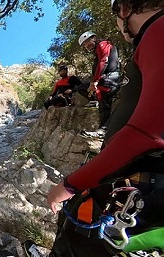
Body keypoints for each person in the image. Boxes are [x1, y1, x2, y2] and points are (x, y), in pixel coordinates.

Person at [43, 0, 164, 256]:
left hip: (140, 177)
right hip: (141, 176)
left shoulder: (158, 30)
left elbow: (146, 132)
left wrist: (69, 184)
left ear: (125, 8)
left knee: (79, 230)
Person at [77, 31, 121, 138]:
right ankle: (95, 102)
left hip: (110, 79)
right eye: (84, 44)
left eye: (87, 41)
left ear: (94, 38)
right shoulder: (98, 50)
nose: (86, 45)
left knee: (105, 107)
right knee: (82, 89)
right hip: (107, 79)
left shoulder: (103, 45)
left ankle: (103, 130)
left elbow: (104, 61)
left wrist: (95, 80)